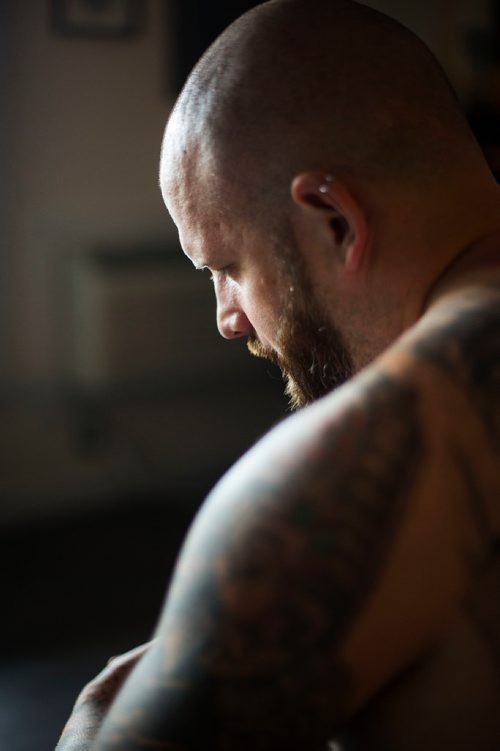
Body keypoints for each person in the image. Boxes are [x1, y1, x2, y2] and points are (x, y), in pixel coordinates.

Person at [57, 0, 500, 749]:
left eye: (227, 268)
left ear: (335, 219)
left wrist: (94, 730)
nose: (228, 318)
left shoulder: (329, 494)